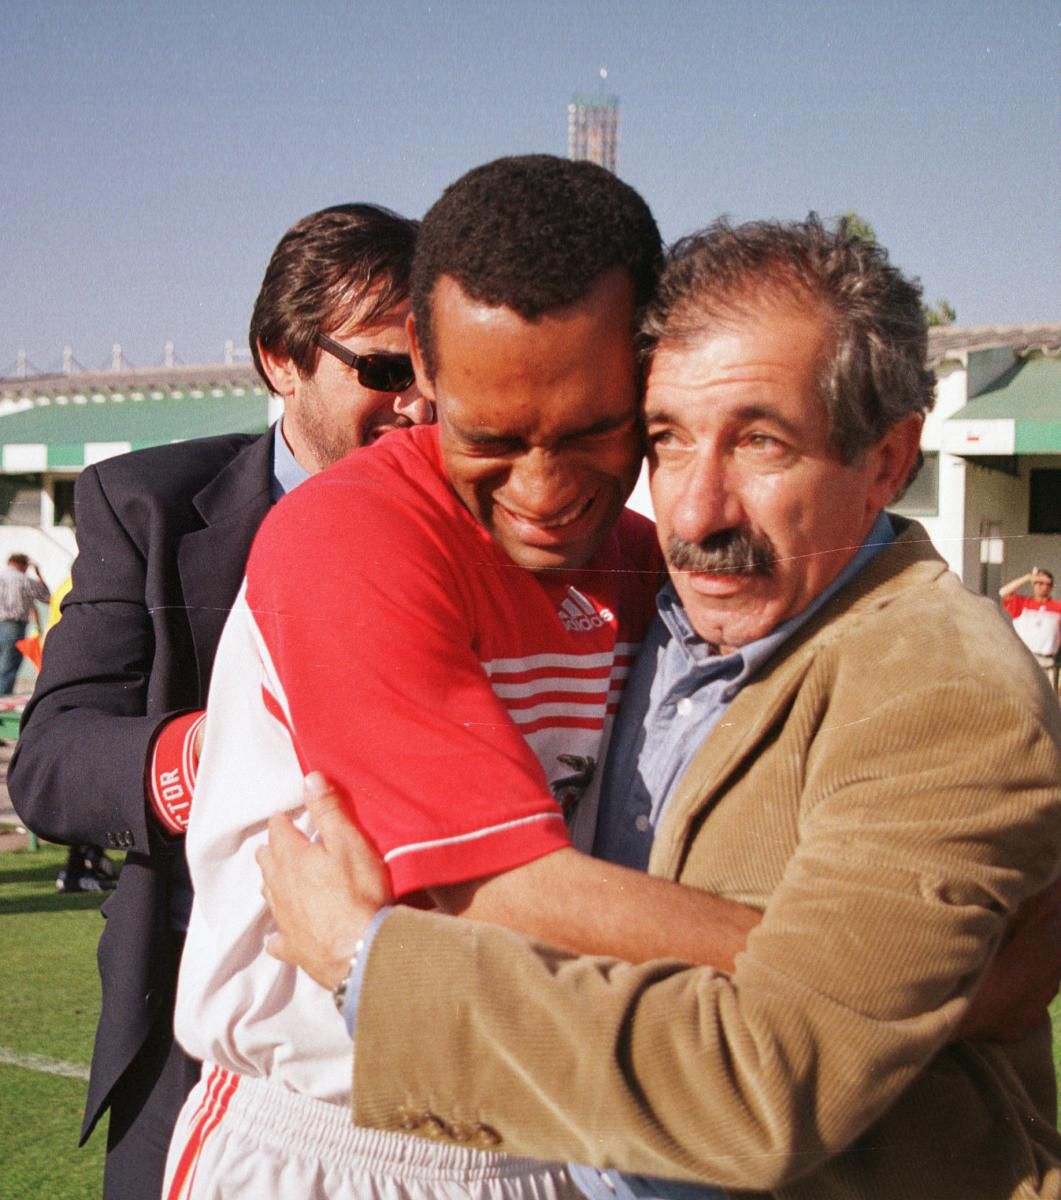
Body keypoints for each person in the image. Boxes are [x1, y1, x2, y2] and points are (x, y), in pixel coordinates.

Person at [261, 217, 1061, 1199]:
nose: (693, 510)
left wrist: (368, 967)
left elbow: (768, 1084)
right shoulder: (664, 609)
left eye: (760, 442)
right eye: (666, 441)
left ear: (887, 460)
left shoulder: (938, 691)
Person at [164, 156, 773, 1200]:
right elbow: (492, 890)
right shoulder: (347, 533)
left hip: (577, 1129)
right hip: (338, 1144)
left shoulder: (645, 557)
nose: (541, 491)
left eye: (591, 430)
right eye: (488, 437)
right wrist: (856, 976)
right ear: (426, 378)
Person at [8, 202, 426, 1200]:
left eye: (436, 373)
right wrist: (217, 759)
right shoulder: (145, 504)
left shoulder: (490, 513)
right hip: (199, 1029)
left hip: (423, 1024)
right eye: (385, 370)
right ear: (280, 356)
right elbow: (53, 760)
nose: (419, 407)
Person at [1000, 567, 1061, 686]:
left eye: (1044, 583)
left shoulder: (1057, 607)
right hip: (1024, 659)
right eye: (1037, 582)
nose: (1039, 586)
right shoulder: (1022, 603)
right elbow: (1003, 592)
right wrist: (1027, 577)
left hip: (1046, 661)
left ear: (1050, 586)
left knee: (1047, 700)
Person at [0, 552, 50, 694]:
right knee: (7, 670)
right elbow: (47, 597)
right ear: (23, 565)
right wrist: (38, 573)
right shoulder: (24, 580)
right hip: (13, 627)